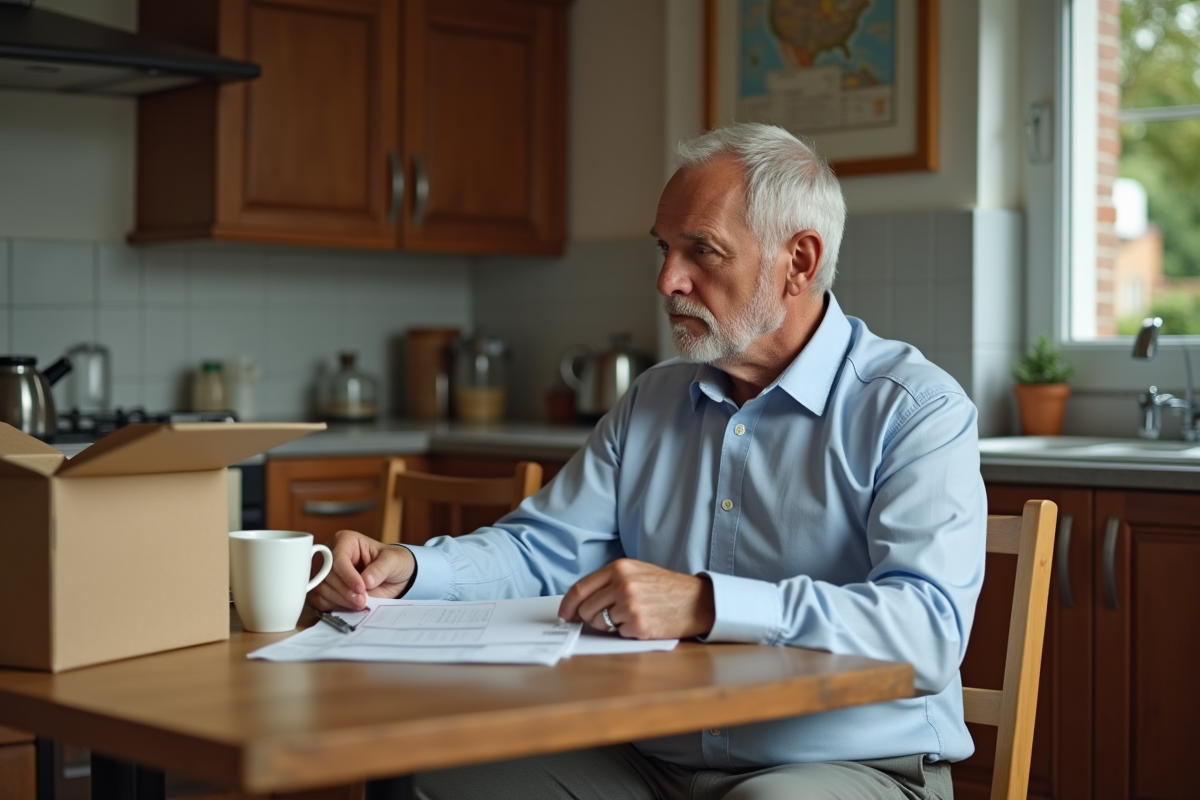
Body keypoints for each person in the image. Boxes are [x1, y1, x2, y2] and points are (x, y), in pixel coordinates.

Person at [310, 122, 986, 800]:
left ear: (799, 262)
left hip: (851, 764)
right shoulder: (653, 400)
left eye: (702, 251)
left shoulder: (915, 410)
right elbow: (543, 550)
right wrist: (417, 566)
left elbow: (925, 632)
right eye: (665, 249)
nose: (668, 280)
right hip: (648, 761)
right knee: (419, 774)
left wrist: (706, 603)